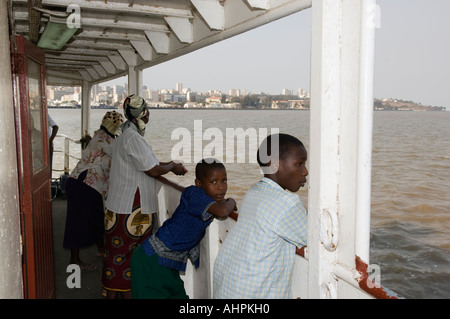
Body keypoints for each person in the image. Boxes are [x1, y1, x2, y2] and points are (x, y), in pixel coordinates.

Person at [102, 94, 188, 299]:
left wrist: (166, 165)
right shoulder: (133, 138)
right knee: (130, 259)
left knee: (116, 259)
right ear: (142, 113)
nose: (148, 116)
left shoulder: (126, 135)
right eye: (147, 112)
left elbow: (149, 163)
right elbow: (152, 169)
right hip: (131, 211)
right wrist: (173, 166)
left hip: (119, 207)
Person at [213, 133, 308, 298]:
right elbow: (319, 241)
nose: (305, 171)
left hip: (228, 286)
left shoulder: (254, 192)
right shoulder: (286, 203)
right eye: (299, 164)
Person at [130, 158, 237, 299]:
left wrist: (225, 202)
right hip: (152, 261)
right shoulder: (194, 194)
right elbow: (223, 212)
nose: (220, 187)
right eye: (213, 182)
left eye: (224, 180)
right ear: (198, 184)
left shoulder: (207, 200)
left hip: (167, 262)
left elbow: (219, 208)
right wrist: (232, 201)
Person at [63, 111, 124, 270]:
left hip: (80, 183)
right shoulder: (110, 142)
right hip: (86, 185)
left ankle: (100, 249)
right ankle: (75, 260)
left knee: (96, 217)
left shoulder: (99, 136)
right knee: (77, 223)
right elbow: (127, 158)